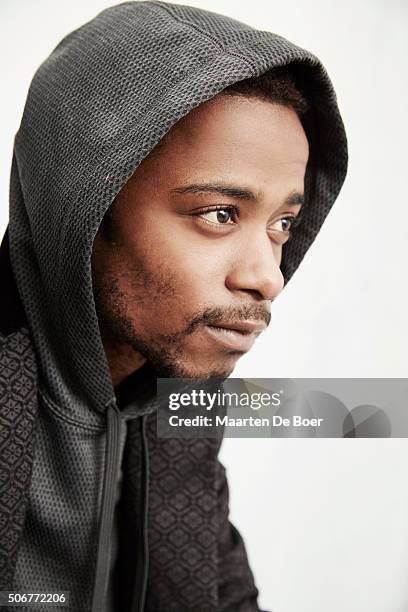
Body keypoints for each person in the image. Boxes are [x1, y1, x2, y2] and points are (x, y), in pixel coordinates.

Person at [0, 1, 348, 610]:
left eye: (283, 223)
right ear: (83, 208)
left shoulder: (180, 401)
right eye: (219, 214)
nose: (268, 277)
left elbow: (225, 591)